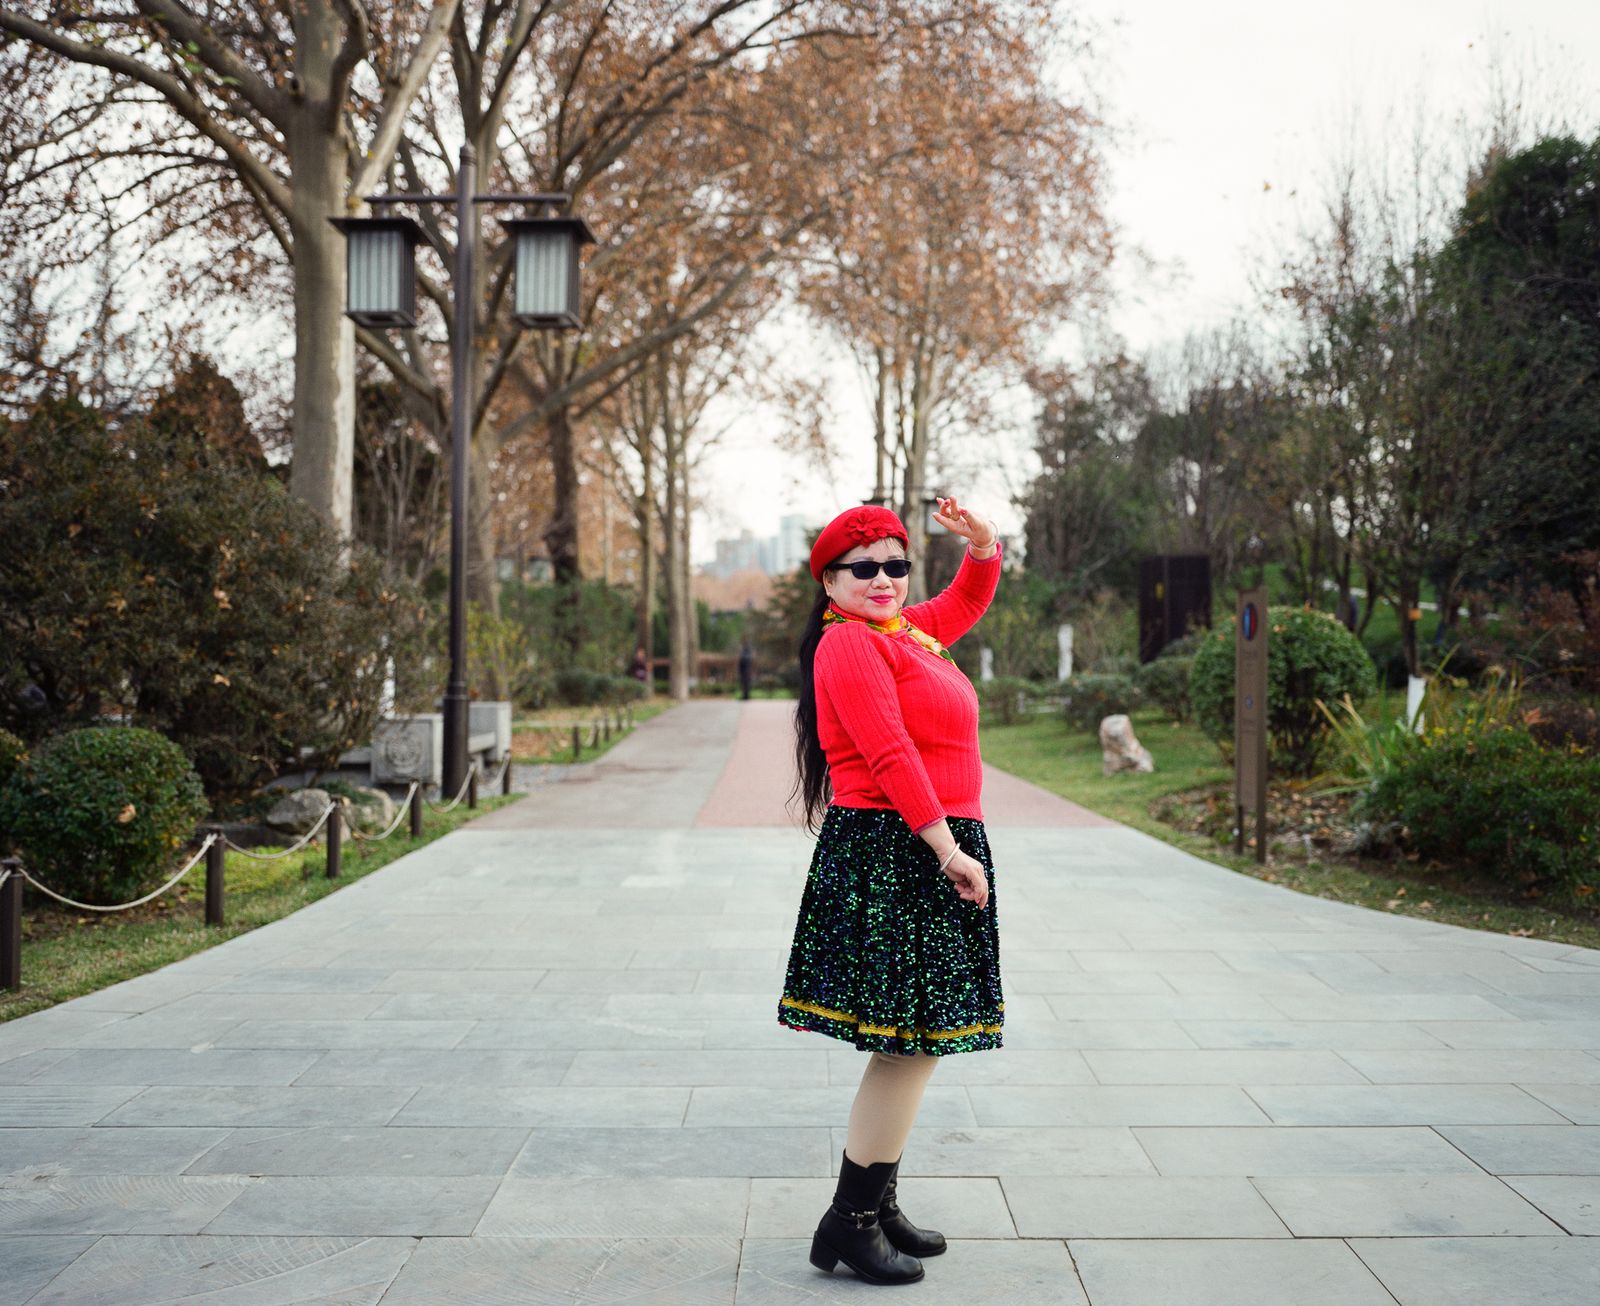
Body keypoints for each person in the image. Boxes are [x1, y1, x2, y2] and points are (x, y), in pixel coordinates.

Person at [777, 496, 1003, 1286]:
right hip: (899, 849)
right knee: (908, 1047)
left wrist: (982, 546)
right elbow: (889, 753)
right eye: (862, 567)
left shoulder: (903, 634)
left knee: (913, 1044)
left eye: (896, 565)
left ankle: (878, 1204)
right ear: (830, 582)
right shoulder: (849, 648)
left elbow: (967, 597)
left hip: (924, 844)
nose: (884, 579)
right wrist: (946, 850)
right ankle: (850, 1219)